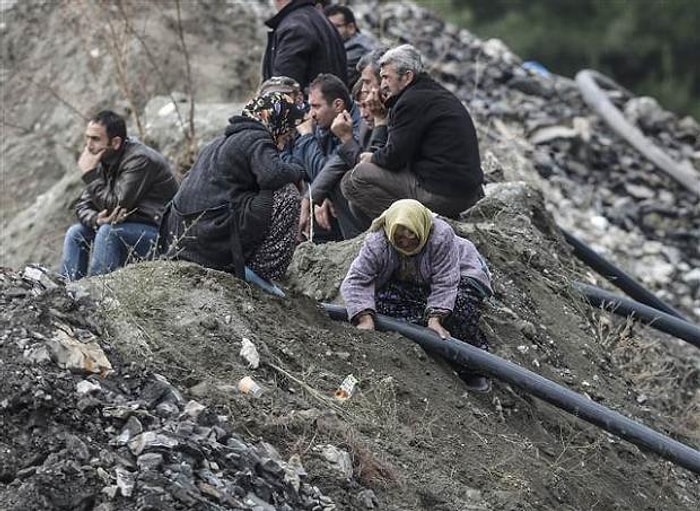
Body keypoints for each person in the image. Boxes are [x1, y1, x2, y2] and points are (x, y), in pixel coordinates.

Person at [340, 199, 493, 392]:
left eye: (413, 234)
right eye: (400, 237)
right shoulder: (378, 242)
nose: (407, 241)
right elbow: (356, 280)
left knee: (460, 305)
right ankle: (421, 333)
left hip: (460, 274)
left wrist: (436, 318)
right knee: (380, 304)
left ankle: (472, 366)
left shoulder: (440, 236)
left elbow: (446, 281)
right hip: (415, 281)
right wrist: (364, 318)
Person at [160, 92, 306, 282]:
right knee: (287, 195)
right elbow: (273, 175)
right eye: (290, 128)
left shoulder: (221, 141)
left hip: (183, 239)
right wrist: (298, 171)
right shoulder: (256, 138)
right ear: (276, 119)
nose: (290, 135)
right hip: (211, 240)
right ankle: (262, 274)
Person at [341, 44, 485, 221]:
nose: (382, 85)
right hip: (462, 189)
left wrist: (372, 157)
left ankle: (420, 224)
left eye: (386, 78)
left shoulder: (411, 102)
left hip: (445, 192)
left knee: (357, 176)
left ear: (407, 76)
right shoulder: (428, 92)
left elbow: (394, 158)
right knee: (357, 201)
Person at [59, 110, 177, 280]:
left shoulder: (139, 160)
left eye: (95, 139)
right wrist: (97, 220)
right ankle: (67, 292)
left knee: (109, 232)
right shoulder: (103, 159)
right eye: (87, 138)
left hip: (160, 237)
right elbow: (83, 205)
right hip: (128, 228)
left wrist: (90, 175)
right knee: (76, 232)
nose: (88, 146)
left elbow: (116, 204)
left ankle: (97, 295)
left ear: (115, 142)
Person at [293, 73, 361, 241]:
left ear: (338, 105)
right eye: (310, 107)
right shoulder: (323, 122)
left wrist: (307, 137)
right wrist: (319, 195)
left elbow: (326, 169)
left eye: (316, 106)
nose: (311, 114)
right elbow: (301, 168)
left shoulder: (357, 124)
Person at [262, 0, 348, 93]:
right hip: (328, 103)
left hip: (311, 104)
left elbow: (283, 89)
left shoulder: (294, 27)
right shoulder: (322, 20)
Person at [324, 4, 377, 87]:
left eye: (336, 26)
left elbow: (333, 80)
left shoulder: (358, 48)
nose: (330, 31)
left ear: (351, 28)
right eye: (327, 26)